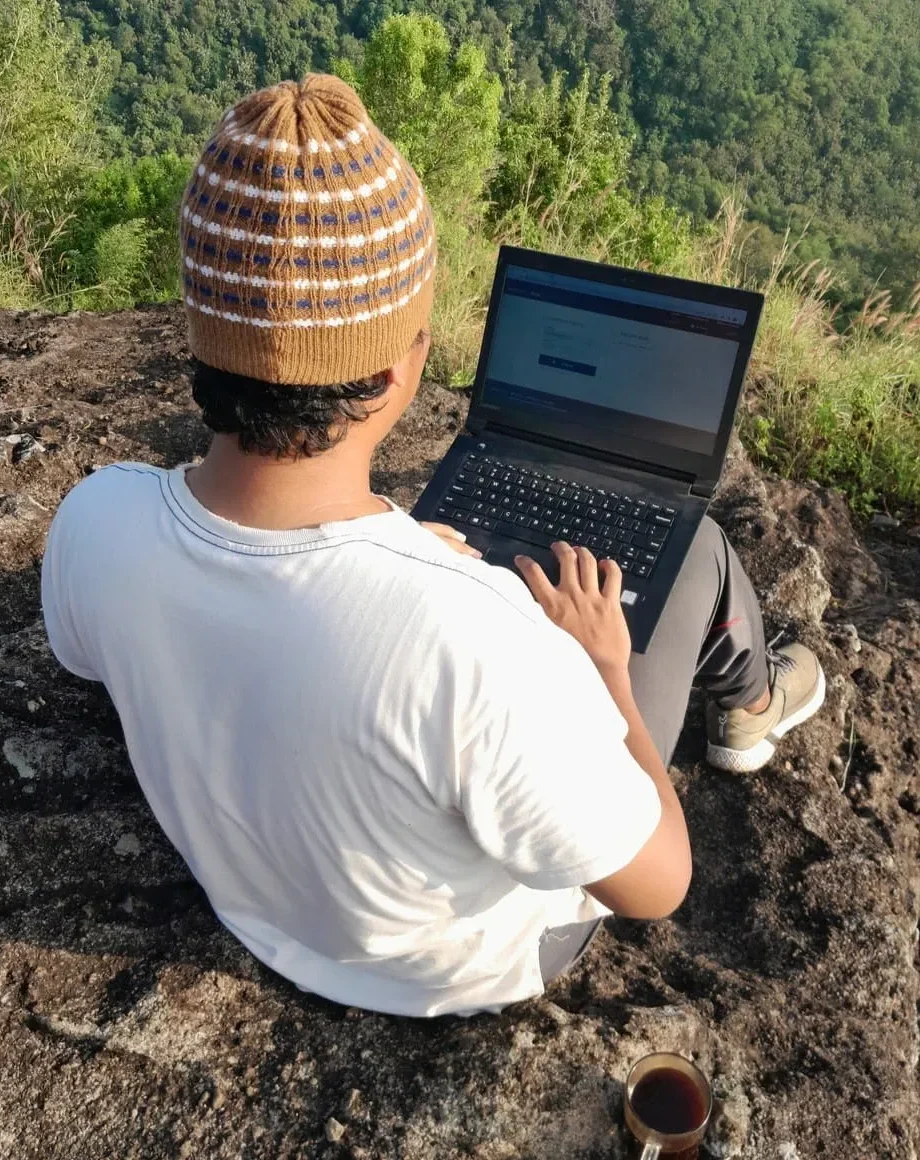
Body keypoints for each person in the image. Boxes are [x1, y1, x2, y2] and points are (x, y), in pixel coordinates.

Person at [40, 75, 825, 1018]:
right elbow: (659, 887)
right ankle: (752, 707)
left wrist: (399, 566)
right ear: (395, 369)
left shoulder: (97, 521)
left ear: (201, 334)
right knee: (696, 552)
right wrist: (602, 669)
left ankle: (752, 696)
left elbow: (106, 653)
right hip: (472, 963)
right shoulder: (474, 644)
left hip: (252, 907)